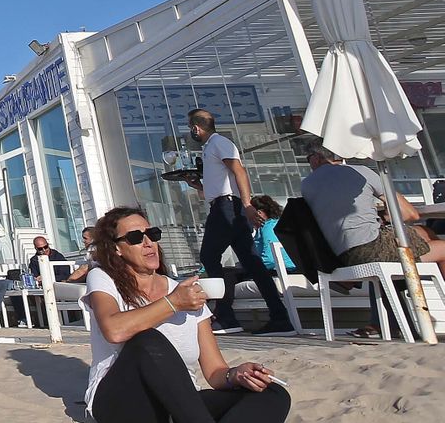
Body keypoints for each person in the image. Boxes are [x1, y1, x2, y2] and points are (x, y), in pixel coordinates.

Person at [81, 205, 292, 423]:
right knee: (146, 338)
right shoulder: (104, 278)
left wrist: (237, 375)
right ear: (117, 248)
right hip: (124, 411)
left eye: (152, 234)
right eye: (136, 237)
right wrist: (172, 303)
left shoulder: (184, 291)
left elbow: (215, 371)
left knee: (272, 393)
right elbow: (114, 329)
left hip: (179, 413)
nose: (149, 243)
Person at [184, 109, 294, 336]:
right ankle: (280, 317)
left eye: (190, 128)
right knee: (253, 263)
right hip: (226, 205)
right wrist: (199, 187)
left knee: (209, 257)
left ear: (196, 128)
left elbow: (239, 172)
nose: (191, 132)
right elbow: (222, 185)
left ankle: (226, 317)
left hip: (227, 207)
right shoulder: (213, 147)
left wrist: (247, 205)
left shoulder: (218, 143)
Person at [301, 142, 445, 268]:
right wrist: (386, 217)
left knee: (424, 232)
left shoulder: (306, 185)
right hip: (371, 249)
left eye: (308, 159)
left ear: (316, 157)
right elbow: (410, 214)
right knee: (440, 246)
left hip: (342, 255)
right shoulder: (359, 172)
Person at [249, 195, 294, 275]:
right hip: (295, 270)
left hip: (284, 272)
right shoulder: (279, 224)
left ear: (258, 213)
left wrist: (251, 266)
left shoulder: (267, 228)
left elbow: (270, 259)